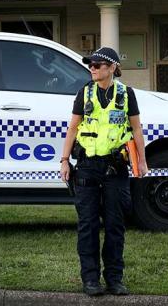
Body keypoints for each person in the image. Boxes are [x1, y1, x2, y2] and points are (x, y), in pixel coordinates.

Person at [60, 46, 148, 296]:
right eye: (91, 64)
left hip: (115, 167)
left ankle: (114, 279)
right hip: (87, 166)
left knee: (115, 225)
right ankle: (90, 280)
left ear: (112, 68)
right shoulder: (84, 93)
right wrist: (64, 160)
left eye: (98, 65)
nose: (92, 68)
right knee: (87, 225)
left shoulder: (126, 94)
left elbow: (137, 129)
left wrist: (142, 160)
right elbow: (73, 129)